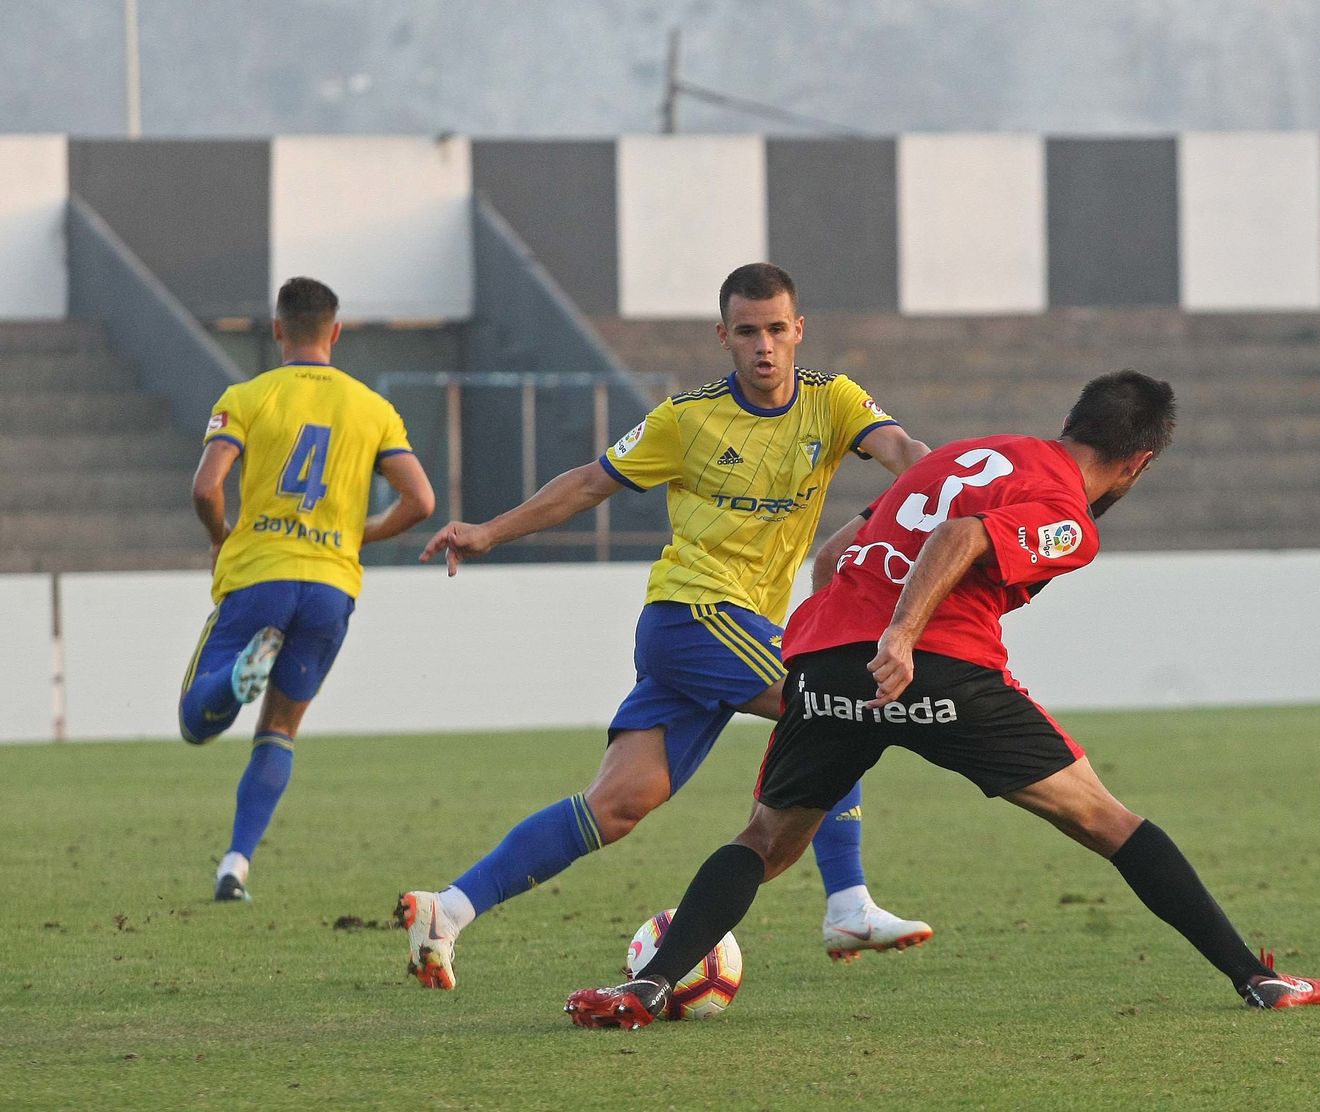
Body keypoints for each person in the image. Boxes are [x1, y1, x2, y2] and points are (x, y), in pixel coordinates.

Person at [565, 370, 1320, 1028]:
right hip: (935, 667)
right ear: (1138, 463)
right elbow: (965, 538)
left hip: (827, 663)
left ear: (1069, 423)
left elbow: (835, 553)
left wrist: (837, 650)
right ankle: (1259, 979)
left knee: (765, 838)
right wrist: (901, 635)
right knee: (1107, 821)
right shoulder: (1071, 519)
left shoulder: (967, 454)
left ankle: (647, 985)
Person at [396, 263, 935, 989]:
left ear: (799, 330)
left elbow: (906, 454)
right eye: (748, 332)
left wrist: (938, 494)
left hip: (726, 631)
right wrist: (490, 532)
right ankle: (847, 900)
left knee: (617, 806)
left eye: (777, 329)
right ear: (724, 337)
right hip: (692, 615)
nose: (764, 347)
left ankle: (449, 909)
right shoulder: (689, 418)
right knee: (833, 696)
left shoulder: (833, 403)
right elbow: (590, 481)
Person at [181, 276, 436, 902]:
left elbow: (205, 488)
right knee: (280, 730)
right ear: (336, 332)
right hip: (330, 586)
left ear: (276, 331)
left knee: (196, 721)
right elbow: (421, 500)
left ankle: (240, 672)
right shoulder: (372, 408)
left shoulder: (247, 395)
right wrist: (357, 537)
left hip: (260, 575)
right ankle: (236, 863)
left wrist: (223, 536)